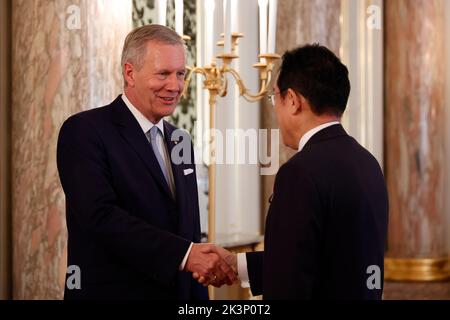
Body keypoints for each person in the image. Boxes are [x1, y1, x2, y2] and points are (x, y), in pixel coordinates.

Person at [57, 24, 236, 300]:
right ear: (130, 72)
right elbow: (100, 218)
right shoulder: (84, 131)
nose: (175, 86)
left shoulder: (181, 140)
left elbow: (189, 233)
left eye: (180, 74)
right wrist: (186, 256)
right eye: (163, 73)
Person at [199, 44, 389, 299]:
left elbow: (289, 285)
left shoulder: (299, 172)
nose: (275, 109)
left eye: (274, 97)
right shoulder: (367, 162)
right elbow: (323, 261)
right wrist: (238, 265)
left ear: (293, 100)